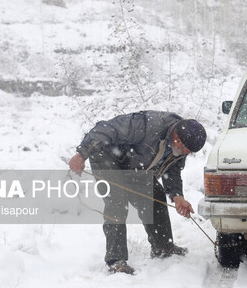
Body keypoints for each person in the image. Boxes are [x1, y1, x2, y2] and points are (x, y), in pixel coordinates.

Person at [68, 111, 207, 275]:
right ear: (177, 138)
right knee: (117, 201)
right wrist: (82, 154)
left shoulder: (181, 146)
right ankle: (116, 260)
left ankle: (163, 247)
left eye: (190, 152)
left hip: (134, 166)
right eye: (187, 150)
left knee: (156, 196)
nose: (187, 154)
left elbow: (173, 171)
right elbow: (104, 128)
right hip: (106, 155)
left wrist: (178, 197)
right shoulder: (148, 125)